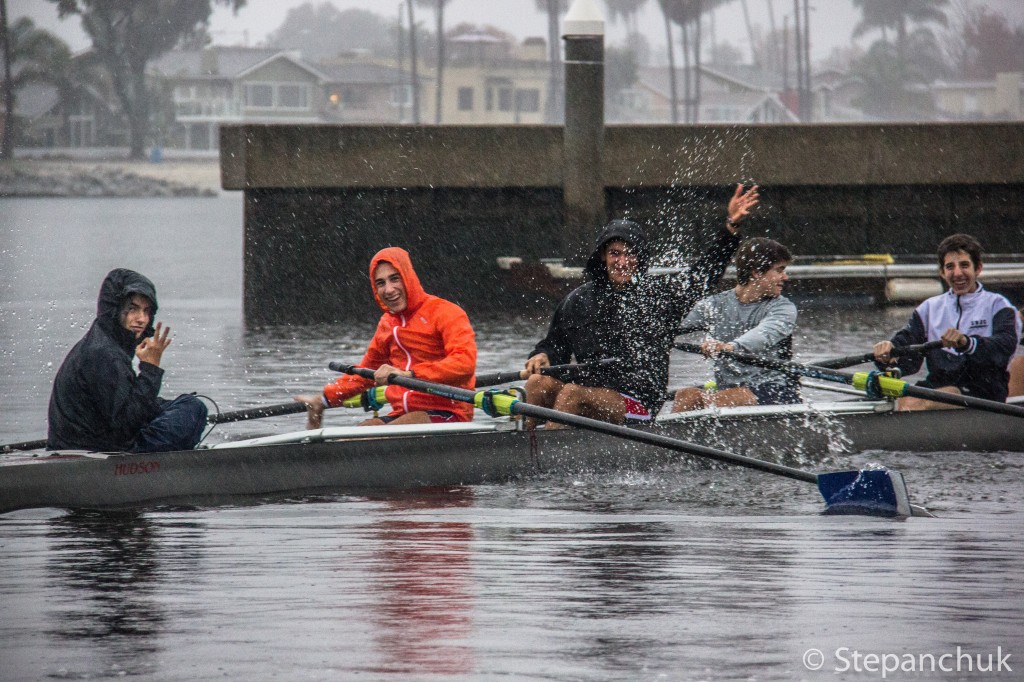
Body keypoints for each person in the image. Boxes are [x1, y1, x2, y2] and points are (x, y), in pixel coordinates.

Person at [523, 183, 760, 428]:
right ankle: (524, 446)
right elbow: (554, 347)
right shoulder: (577, 301)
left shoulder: (660, 295)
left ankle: (545, 458)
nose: (623, 262)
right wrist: (541, 355)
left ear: (641, 258)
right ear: (603, 256)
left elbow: (705, 274)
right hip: (588, 394)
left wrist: (731, 227)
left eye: (630, 254)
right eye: (615, 254)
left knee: (572, 394)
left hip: (638, 402)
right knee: (537, 384)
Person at [295, 247, 477, 429]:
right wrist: (323, 399)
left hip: (450, 413)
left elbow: (464, 363)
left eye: (395, 279)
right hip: (403, 414)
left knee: (379, 436)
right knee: (363, 430)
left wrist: (410, 374)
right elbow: (365, 373)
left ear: (408, 277)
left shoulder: (446, 312)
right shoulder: (387, 323)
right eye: (380, 283)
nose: (389, 290)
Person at [47, 268, 208, 452]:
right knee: (194, 409)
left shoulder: (102, 341)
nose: (142, 319)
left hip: (86, 440)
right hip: (94, 452)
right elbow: (126, 425)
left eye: (147, 311)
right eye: (133, 309)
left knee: (179, 403)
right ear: (114, 309)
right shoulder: (105, 354)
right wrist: (150, 369)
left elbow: (124, 404)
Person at [872, 233, 1022, 410]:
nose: (958, 273)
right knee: (906, 398)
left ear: (978, 268)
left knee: (934, 398)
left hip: (984, 390)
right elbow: (908, 361)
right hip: (940, 385)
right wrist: (888, 353)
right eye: (950, 267)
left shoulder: (998, 305)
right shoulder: (929, 308)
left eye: (964, 265)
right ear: (942, 272)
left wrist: (967, 343)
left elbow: (1004, 348)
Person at [671, 238, 799, 412]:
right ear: (756, 272)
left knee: (703, 399)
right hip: (731, 391)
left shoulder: (783, 308)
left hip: (776, 391)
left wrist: (729, 346)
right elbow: (671, 325)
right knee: (685, 395)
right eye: (779, 270)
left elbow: (764, 334)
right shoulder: (715, 304)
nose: (785, 277)